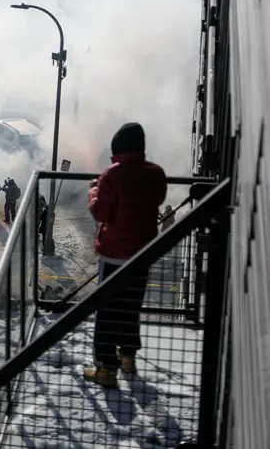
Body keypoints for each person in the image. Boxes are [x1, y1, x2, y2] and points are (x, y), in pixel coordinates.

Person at [84, 123, 166, 388]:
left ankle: (106, 369)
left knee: (106, 311)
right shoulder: (156, 173)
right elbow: (159, 199)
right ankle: (128, 358)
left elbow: (101, 213)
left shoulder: (112, 174)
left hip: (115, 254)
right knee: (131, 306)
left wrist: (94, 190)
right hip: (142, 252)